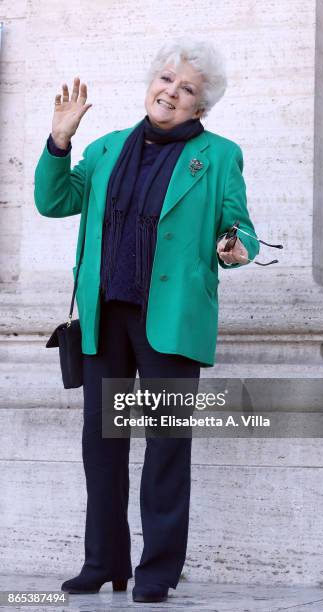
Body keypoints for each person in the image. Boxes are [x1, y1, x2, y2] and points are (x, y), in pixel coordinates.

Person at [34, 39, 259, 604]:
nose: (171, 92)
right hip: (105, 317)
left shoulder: (220, 156)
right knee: (101, 444)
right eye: (166, 79)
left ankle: (158, 569)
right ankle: (103, 562)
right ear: (149, 85)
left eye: (187, 90)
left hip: (172, 320)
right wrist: (60, 141)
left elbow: (242, 229)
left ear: (200, 109)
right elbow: (53, 201)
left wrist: (236, 248)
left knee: (165, 445)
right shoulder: (107, 150)